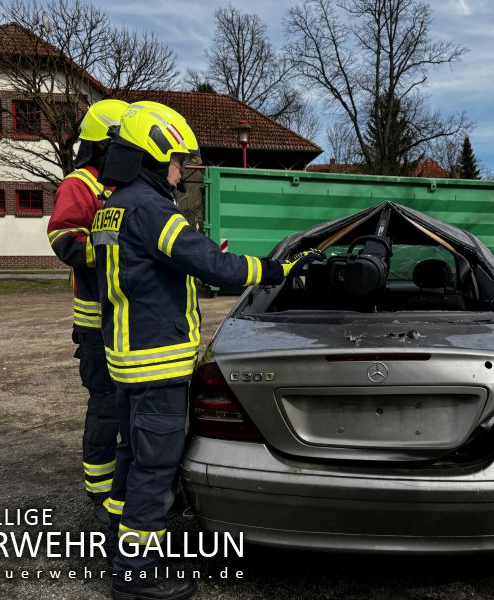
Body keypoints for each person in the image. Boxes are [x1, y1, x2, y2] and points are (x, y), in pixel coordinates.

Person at [91, 100, 322, 600]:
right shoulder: (151, 208)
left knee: (131, 461)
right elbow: (212, 265)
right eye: (178, 160)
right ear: (155, 154)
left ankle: (118, 549)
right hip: (156, 363)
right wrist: (276, 270)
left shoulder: (113, 205)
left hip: (127, 361)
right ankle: (137, 576)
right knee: (154, 470)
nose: (182, 170)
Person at [47, 99, 129, 528]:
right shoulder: (80, 184)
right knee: (107, 407)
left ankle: (127, 484)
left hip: (129, 320)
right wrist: (120, 249)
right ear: (103, 144)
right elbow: (64, 241)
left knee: (131, 408)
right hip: (97, 323)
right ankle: (100, 490)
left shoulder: (125, 185)